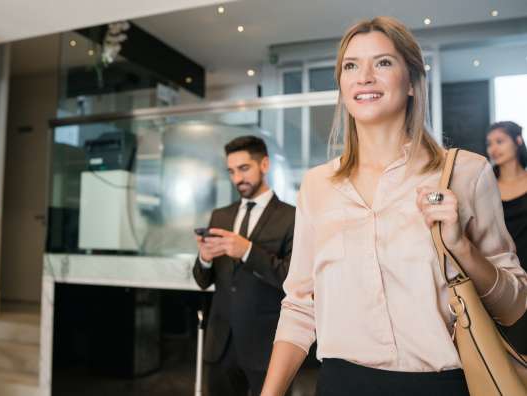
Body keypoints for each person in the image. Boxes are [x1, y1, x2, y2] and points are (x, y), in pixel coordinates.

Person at [260, 17, 527, 396]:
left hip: (441, 386)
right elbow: (300, 308)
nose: (364, 76)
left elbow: (515, 304)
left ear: (413, 82)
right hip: (340, 385)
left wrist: (463, 248)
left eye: (383, 62)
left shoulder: (467, 172)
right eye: (351, 66)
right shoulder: (317, 186)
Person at [193, 135, 295, 396]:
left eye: (244, 168)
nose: (238, 178)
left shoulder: (292, 217)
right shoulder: (221, 215)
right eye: (231, 171)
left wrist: (247, 251)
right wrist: (204, 257)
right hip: (222, 344)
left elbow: (291, 279)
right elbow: (204, 280)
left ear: (264, 165)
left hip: (268, 345)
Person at [486, 121, 527, 353]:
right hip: (501, 274)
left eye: (500, 141)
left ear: (518, 141)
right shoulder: (485, 186)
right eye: (489, 143)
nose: (493, 148)